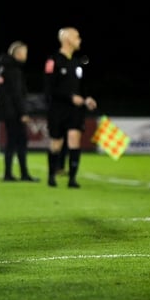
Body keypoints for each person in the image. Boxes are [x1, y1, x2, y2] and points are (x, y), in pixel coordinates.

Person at [44, 27, 97, 188]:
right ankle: (52, 175)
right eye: (77, 37)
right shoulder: (53, 60)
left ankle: (72, 179)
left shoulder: (77, 62)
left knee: (75, 140)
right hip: (58, 109)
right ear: (67, 39)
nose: (79, 40)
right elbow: (49, 89)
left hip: (75, 110)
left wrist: (87, 98)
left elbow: (81, 87)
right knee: (56, 144)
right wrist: (69, 97)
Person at [0, 41, 38, 182]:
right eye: (25, 53)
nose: (26, 55)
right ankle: (22, 174)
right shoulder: (13, 70)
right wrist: (23, 113)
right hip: (14, 113)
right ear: (18, 53)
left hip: (9, 113)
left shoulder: (4, 68)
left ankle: (10, 173)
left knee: (12, 143)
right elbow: (17, 94)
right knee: (19, 142)